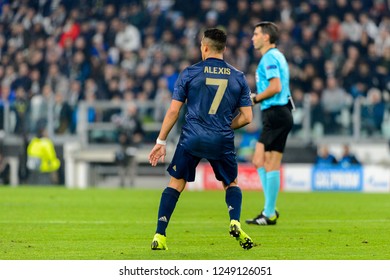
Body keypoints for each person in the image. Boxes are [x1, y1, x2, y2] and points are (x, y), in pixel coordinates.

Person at [148, 28, 254, 250]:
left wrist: (161, 141)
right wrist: (225, 125)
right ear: (224, 49)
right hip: (221, 139)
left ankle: (160, 235)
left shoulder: (189, 73)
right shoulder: (238, 77)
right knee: (231, 183)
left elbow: (173, 112)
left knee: (176, 184)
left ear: (204, 47)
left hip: (192, 137)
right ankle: (234, 220)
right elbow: (247, 117)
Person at [246, 22, 294, 226]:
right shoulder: (277, 56)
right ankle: (269, 211)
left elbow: (275, 86)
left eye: (256, 34)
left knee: (258, 160)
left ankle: (269, 210)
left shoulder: (270, 58)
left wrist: (255, 98)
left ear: (266, 37)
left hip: (275, 113)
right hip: (279, 113)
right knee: (270, 162)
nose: (252, 38)